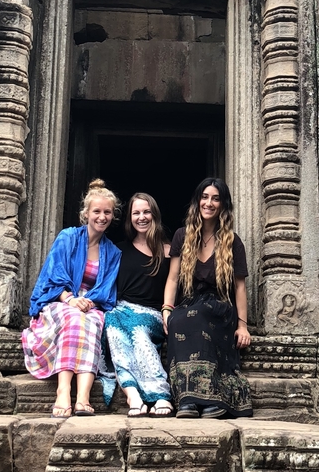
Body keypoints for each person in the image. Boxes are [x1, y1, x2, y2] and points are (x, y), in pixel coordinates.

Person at [22, 178, 121, 418]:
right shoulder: (68, 238)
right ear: (86, 213)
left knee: (92, 322)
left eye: (107, 212)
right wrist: (71, 300)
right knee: (74, 318)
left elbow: (106, 288)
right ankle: (64, 391)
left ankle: (83, 398)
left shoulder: (114, 252)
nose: (102, 217)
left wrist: (89, 302)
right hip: (60, 301)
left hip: (92, 305)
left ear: (113, 215)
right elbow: (54, 276)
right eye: (96, 211)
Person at [163, 177, 252, 419]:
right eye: (204, 197)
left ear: (223, 205)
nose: (209, 203)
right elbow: (172, 278)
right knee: (179, 321)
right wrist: (167, 309)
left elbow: (240, 288)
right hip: (190, 301)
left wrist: (243, 326)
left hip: (220, 306)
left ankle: (213, 398)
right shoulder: (182, 236)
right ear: (197, 201)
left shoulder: (233, 242)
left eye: (215, 198)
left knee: (200, 316)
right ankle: (187, 400)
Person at [104, 193, 174, 417]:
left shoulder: (169, 251)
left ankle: (160, 394)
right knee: (113, 328)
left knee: (138, 331)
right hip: (122, 309)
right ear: (130, 218)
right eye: (136, 213)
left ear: (154, 215)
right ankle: (132, 394)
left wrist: (168, 313)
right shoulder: (118, 250)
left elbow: (175, 287)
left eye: (146, 212)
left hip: (152, 315)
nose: (141, 217)